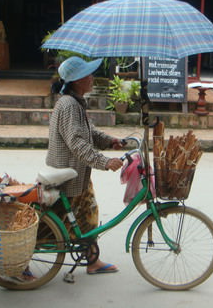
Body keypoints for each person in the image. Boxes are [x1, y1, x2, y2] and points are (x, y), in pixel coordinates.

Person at [46, 56, 123, 275]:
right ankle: (20, 259)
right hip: (68, 175)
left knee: (88, 214)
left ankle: (92, 260)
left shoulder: (74, 101)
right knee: (60, 221)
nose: (92, 78)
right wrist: (105, 162)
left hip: (77, 175)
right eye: (88, 75)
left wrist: (110, 141)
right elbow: (77, 143)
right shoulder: (69, 105)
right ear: (78, 80)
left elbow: (89, 133)